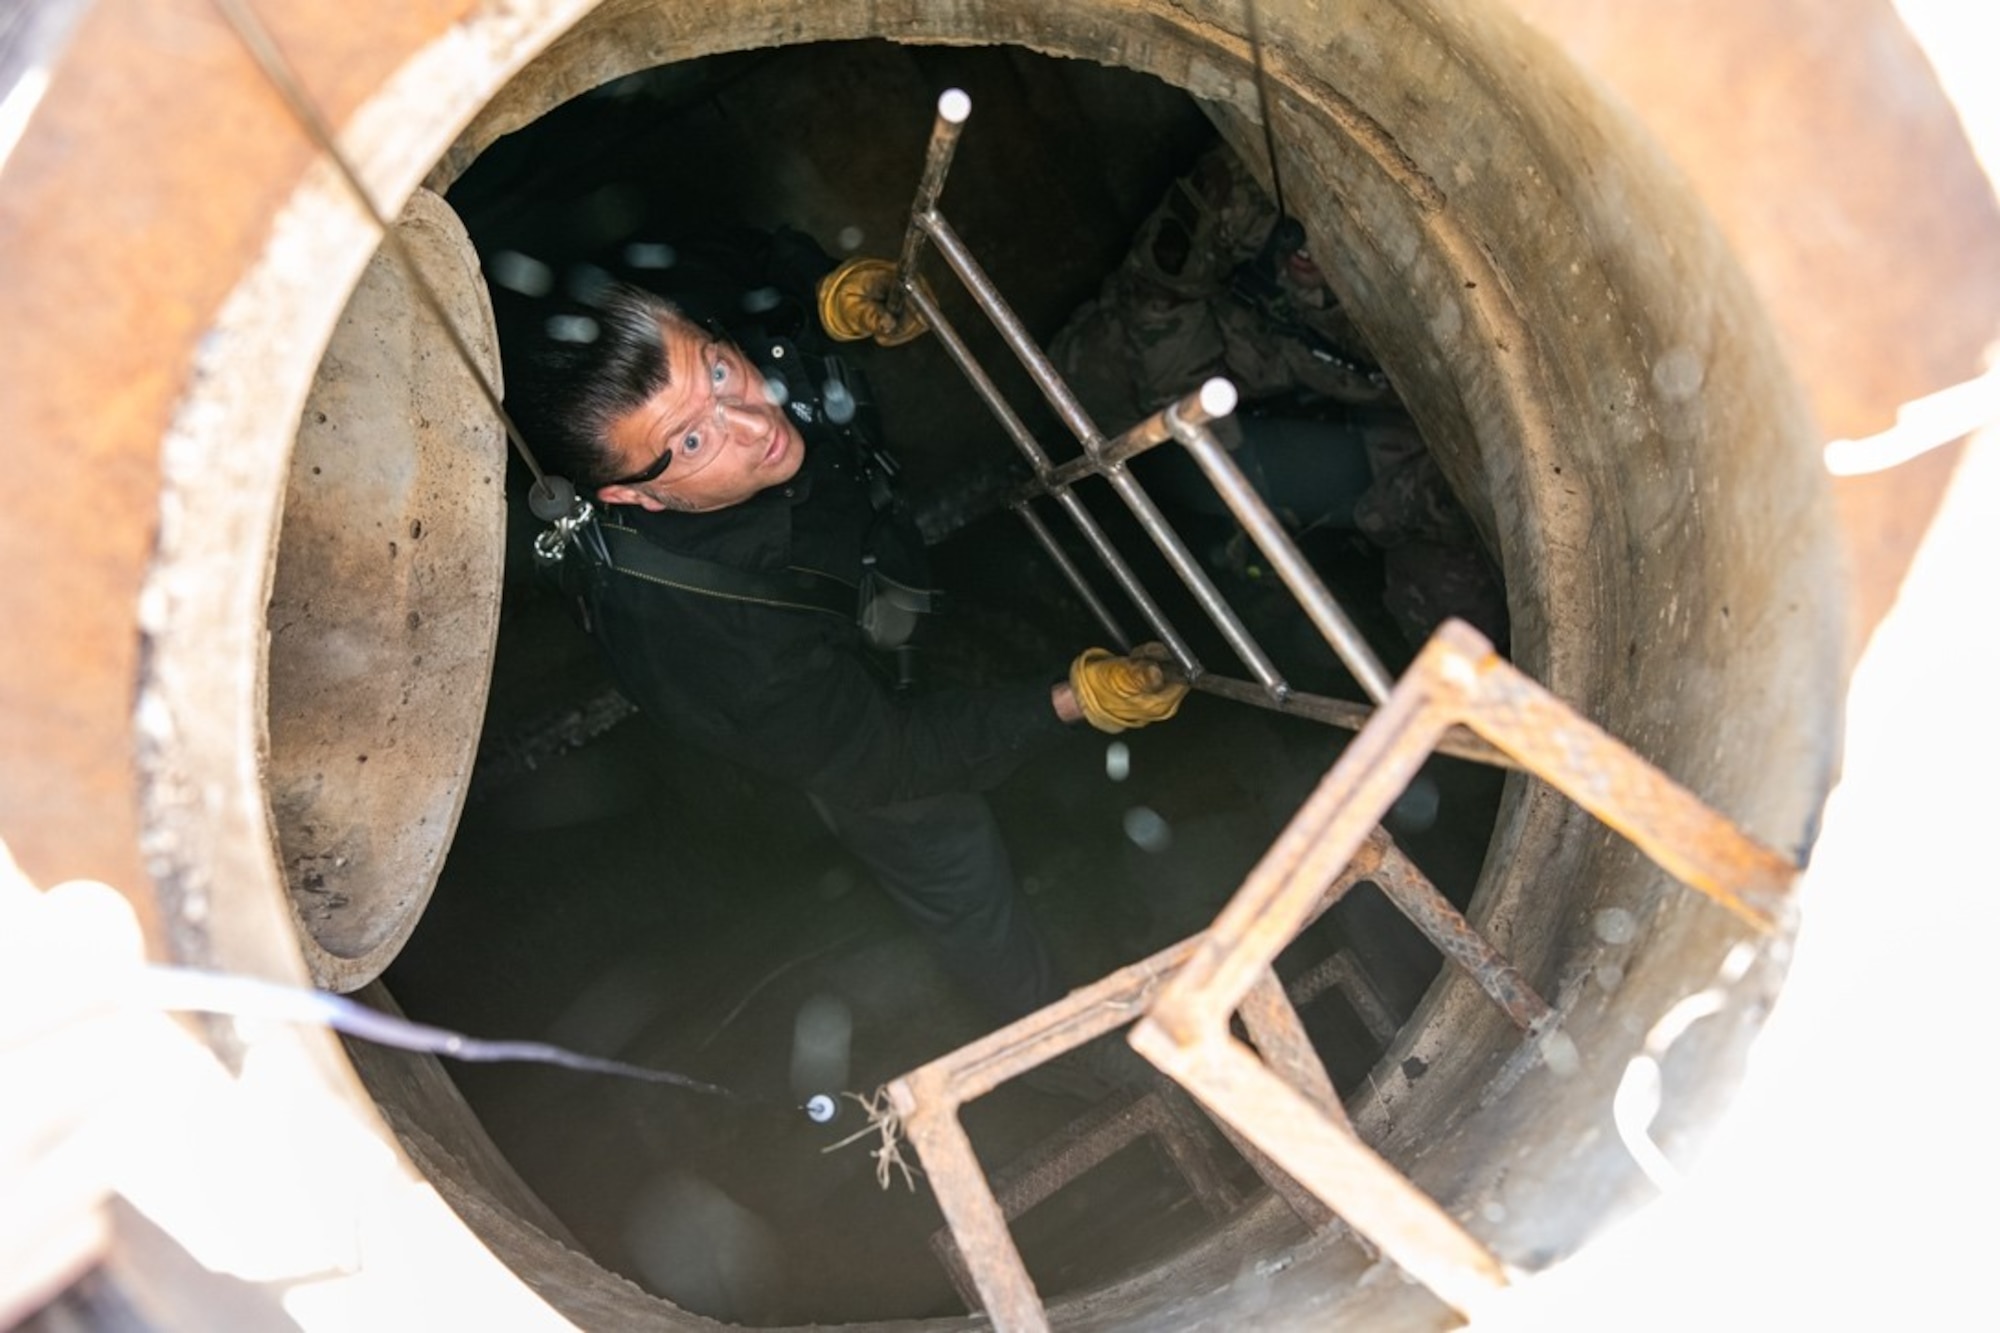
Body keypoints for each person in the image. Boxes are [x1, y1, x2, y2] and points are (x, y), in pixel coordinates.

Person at [505, 244, 1187, 1035]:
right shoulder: (718, 642)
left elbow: (733, 280)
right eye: (691, 443)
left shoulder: (693, 354)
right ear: (634, 496)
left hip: (869, 590)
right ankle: (1050, 1041)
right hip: (850, 748)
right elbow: (889, 761)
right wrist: (1075, 700)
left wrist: (817, 299)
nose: (757, 423)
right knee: (953, 863)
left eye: (723, 371)